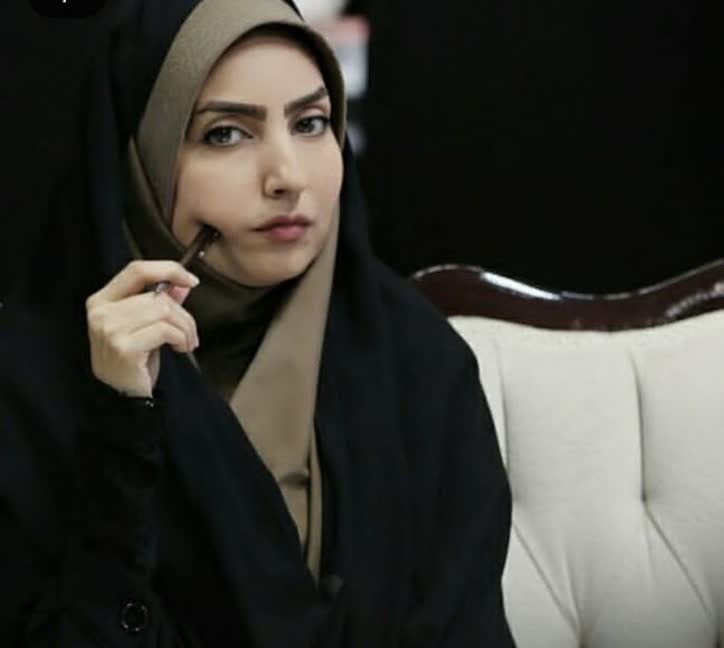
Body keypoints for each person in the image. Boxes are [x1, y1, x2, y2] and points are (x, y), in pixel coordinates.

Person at [0, 0, 514, 645]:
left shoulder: (419, 361)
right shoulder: (31, 385)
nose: (287, 177)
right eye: (225, 134)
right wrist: (122, 426)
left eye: (311, 123)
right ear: (140, 159)